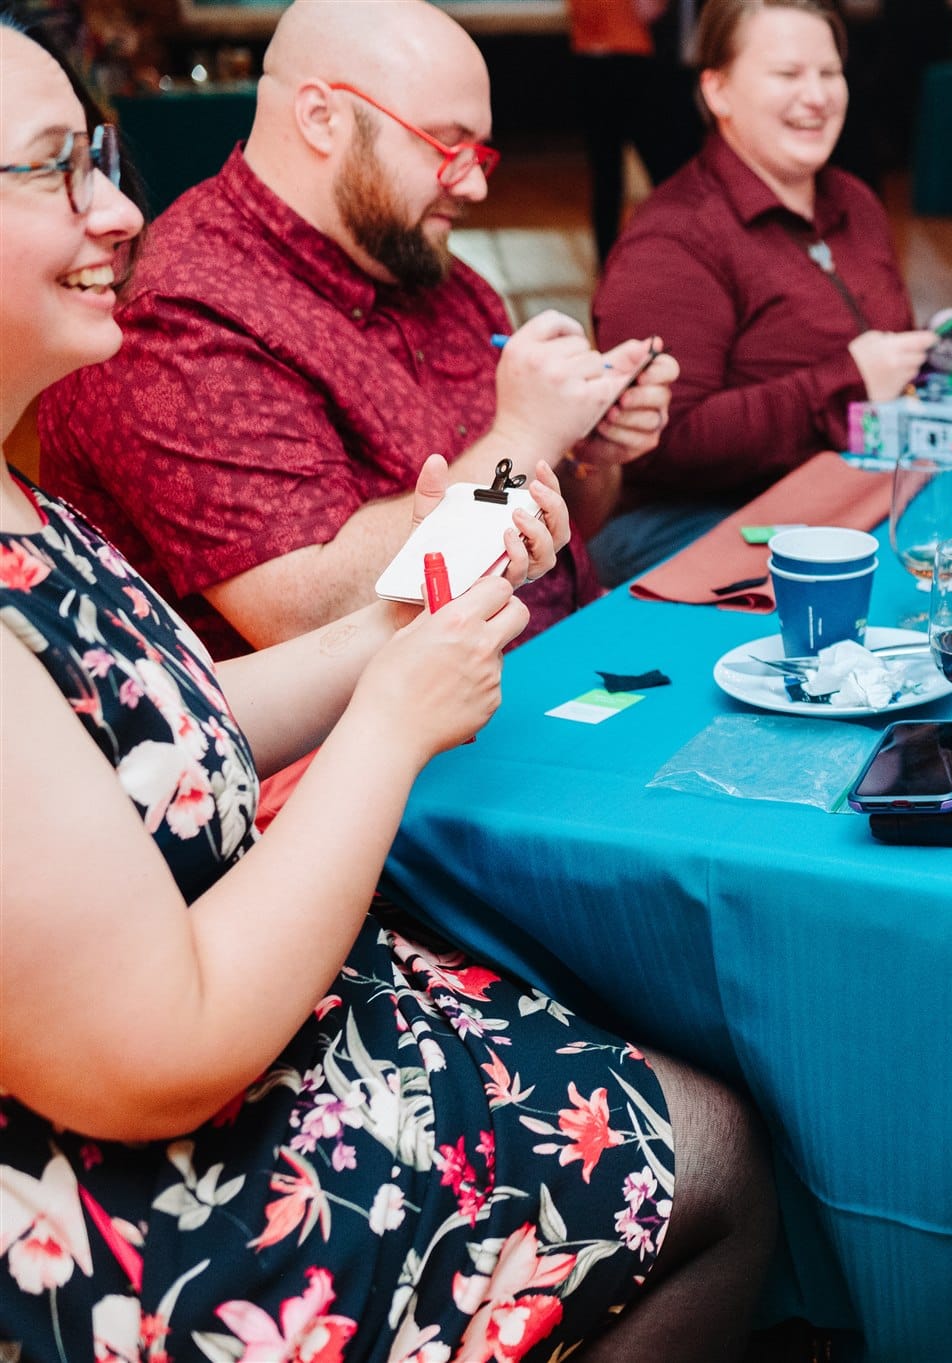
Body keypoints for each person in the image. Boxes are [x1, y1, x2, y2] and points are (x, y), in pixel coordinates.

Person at [0, 17, 776, 1361]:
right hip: (151, 1206)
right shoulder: (185, 307)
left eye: (98, 160)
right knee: (720, 1134)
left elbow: (162, 720)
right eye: (53, 168)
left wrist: (531, 493)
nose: (116, 211)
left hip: (289, 974)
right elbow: (157, 1052)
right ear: (324, 117)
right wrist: (396, 704)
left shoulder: (438, 281)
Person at [35, 0, 681, 663]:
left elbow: (560, 538)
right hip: (411, 714)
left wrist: (583, 448)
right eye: (446, 146)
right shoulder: (179, 314)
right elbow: (303, 619)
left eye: (479, 154)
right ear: (321, 118)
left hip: (569, 656)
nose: (475, 187)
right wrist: (524, 433)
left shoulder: (429, 267)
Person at [587, 0, 952, 587]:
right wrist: (849, 381)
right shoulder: (674, 239)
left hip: (846, 495)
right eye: (787, 74)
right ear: (717, 91)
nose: (817, 96)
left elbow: (863, 359)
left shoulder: (854, 202)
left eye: (829, 73)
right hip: (703, 525)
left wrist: (924, 354)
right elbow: (665, 441)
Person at [568, 0, 700, 267]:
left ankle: (609, 266)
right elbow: (649, 9)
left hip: (591, 61)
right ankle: (680, 252)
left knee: (607, 176)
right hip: (630, 61)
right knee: (664, 172)